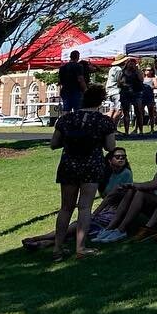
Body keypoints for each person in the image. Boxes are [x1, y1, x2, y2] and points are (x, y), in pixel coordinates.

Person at [44, 84, 116, 260]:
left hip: (69, 164)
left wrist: (70, 141)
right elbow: (110, 147)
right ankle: (81, 247)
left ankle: (57, 249)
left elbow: (54, 144)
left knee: (65, 208)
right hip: (91, 165)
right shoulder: (104, 121)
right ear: (100, 101)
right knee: (84, 207)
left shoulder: (66, 119)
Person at [95, 143, 157, 241]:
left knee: (139, 192)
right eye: (117, 157)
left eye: (123, 157)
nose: (121, 159)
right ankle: (111, 228)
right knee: (133, 191)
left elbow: (150, 186)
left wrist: (130, 185)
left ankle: (121, 229)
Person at [57, 50, 91, 114]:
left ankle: (66, 122)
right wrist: (86, 90)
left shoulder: (62, 67)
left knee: (66, 109)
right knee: (77, 109)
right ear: (78, 57)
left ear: (70, 57)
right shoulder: (78, 66)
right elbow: (80, 79)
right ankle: (76, 122)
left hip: (65, 90)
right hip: (76, 90)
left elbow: (60, 81)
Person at [118, 57, 145, 134]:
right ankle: (126, 131)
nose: (131, 64)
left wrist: (136, 70)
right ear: (127, 64)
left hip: (136, 93)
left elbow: (141, 79)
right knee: (126, 112)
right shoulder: (122, 72)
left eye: (133, 63)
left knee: (139, 112)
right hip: (125, 93)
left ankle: (141, 131)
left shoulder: (137, 71)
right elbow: (118, 84)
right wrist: (123, 83)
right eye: (130, 63)